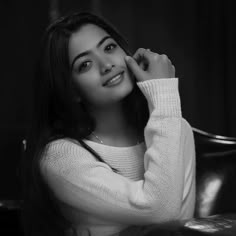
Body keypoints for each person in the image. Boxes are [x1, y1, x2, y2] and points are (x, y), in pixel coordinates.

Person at [21, 11, 196, 236]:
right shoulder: (60, 156)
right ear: (71, 89)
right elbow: (162, 210)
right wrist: (163, 92)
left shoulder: (176, 130)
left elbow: (178, 226)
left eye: (109, 48)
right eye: (85, 64)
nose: (106, 65)